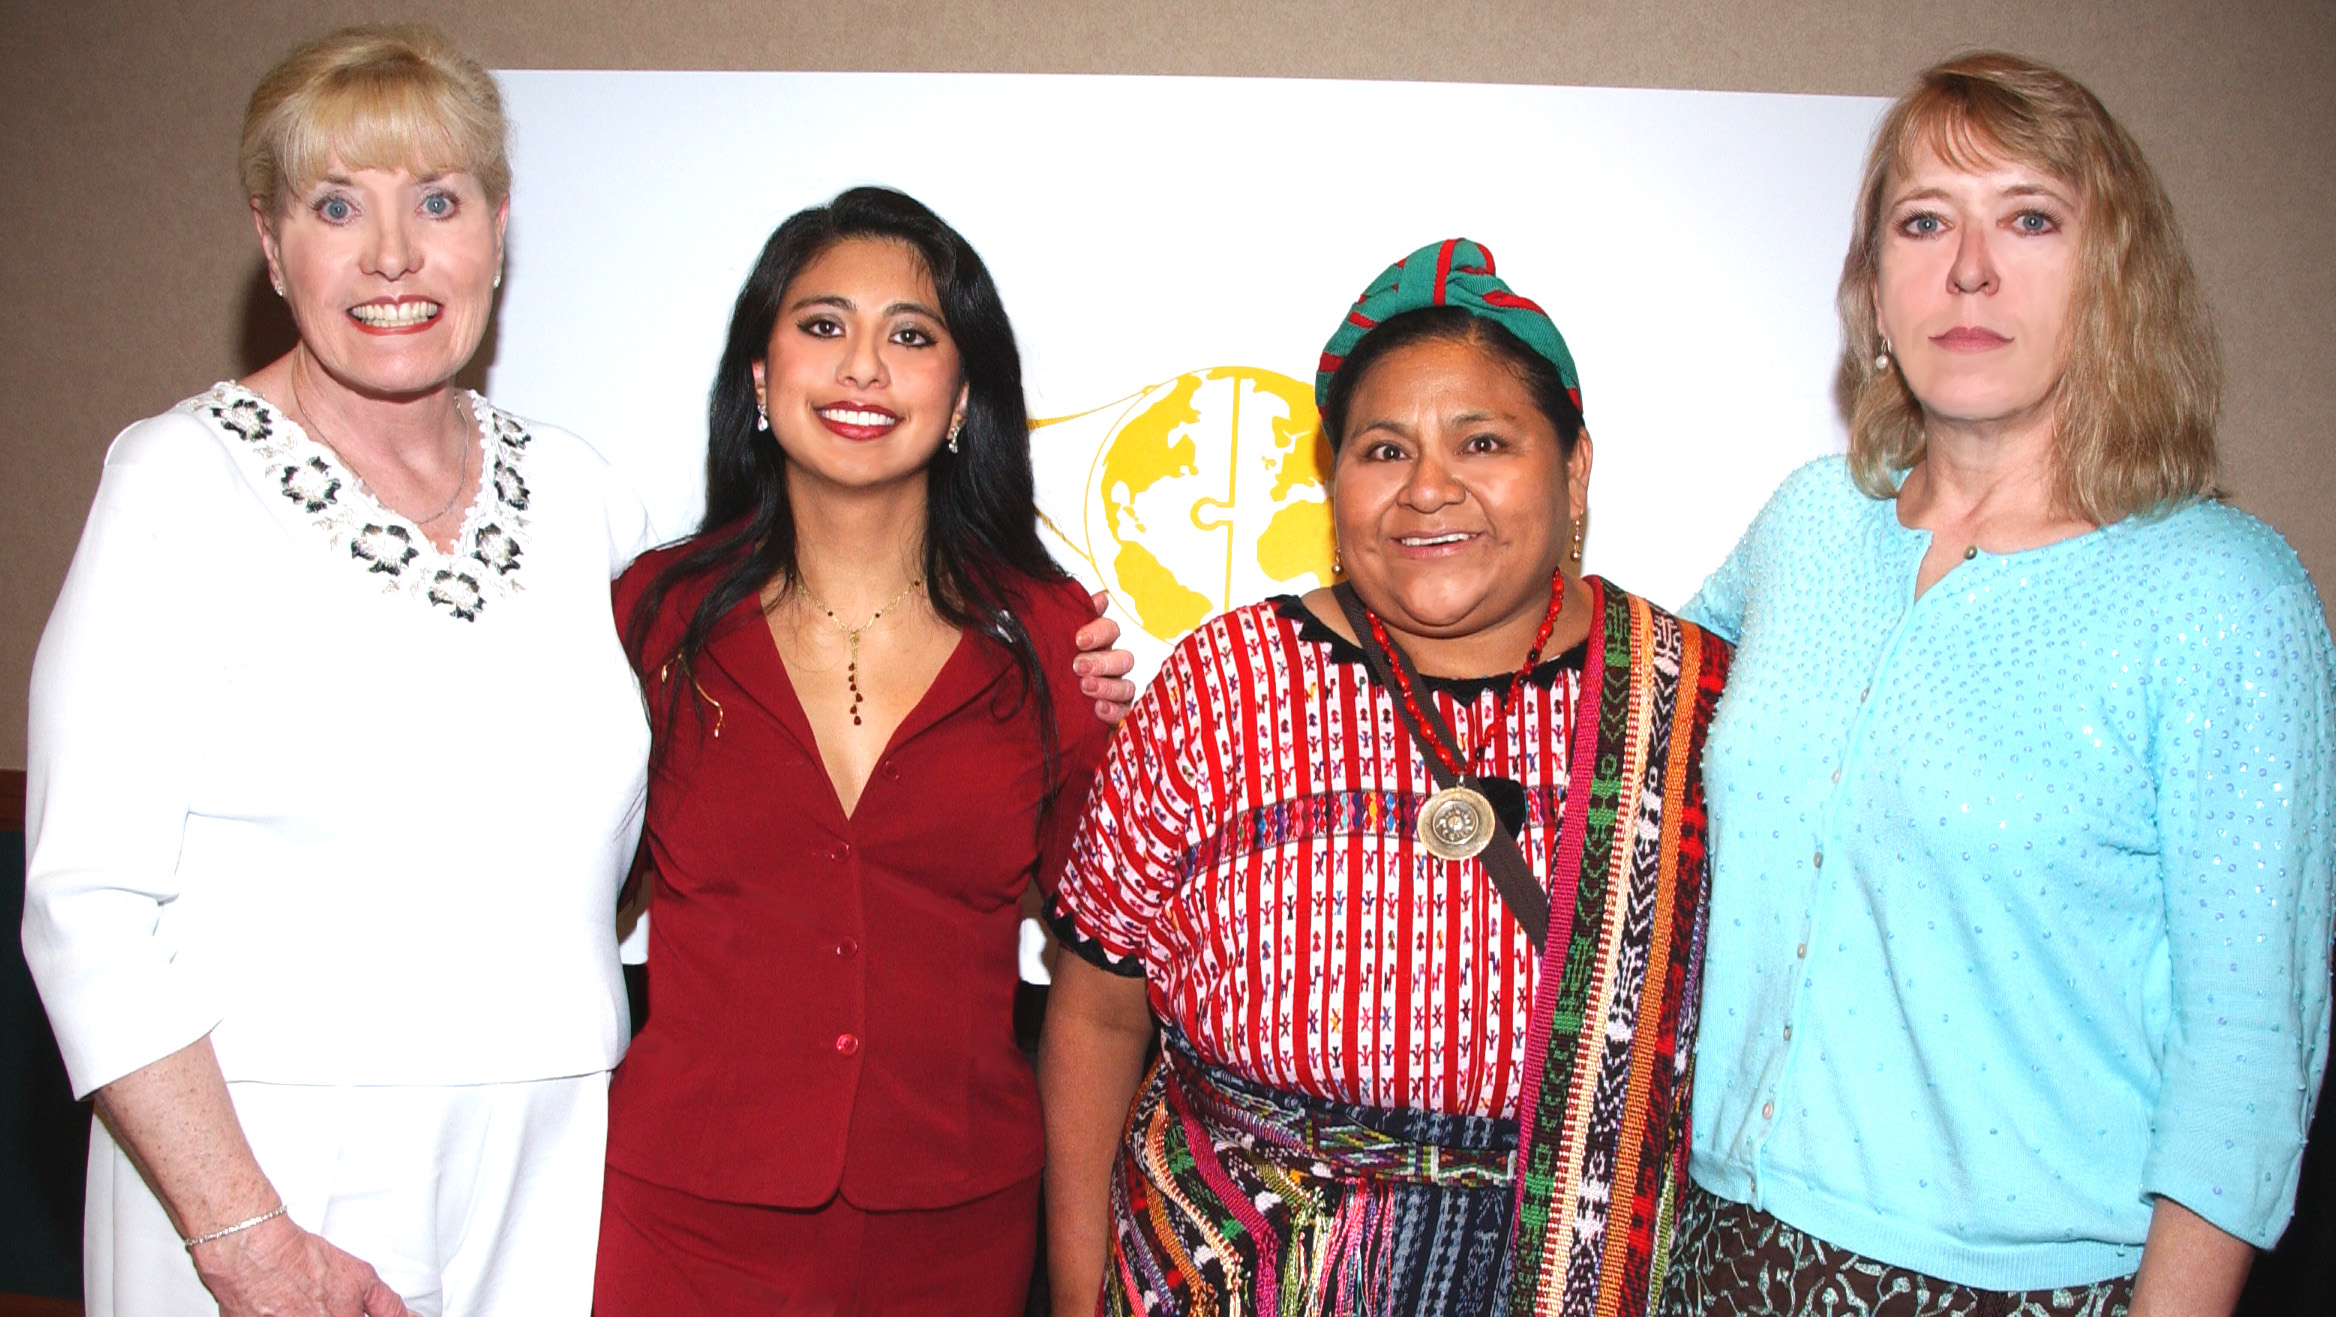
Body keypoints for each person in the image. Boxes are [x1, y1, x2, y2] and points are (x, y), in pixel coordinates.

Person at [19, 30, 1140, 1317]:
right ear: (272, 247)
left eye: (435, 202)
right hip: (273, 1161)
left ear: (499, 230)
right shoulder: (177, 483)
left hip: (553, 1168)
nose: (393, 254)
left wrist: (1085, 679)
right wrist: (242, 1233)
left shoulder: (575, 499)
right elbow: (85, 903)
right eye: (339, 207)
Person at [1662, 53, 2335, 1317]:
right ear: (1868, 287)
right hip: (1711, 1253)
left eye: (2028, 218)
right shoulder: (1809, 523)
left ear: (2114, 275)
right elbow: (1604, 708)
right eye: (1924, 221)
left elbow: (2248, 1051)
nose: (1968, 268)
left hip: (2020, 1291)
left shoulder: (2222, 594)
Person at [1040, 240, 1731, 1317]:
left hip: (1574, 1282)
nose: (1428, 490)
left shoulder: (1694, 705)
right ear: (1333, 480)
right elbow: (1092, 1018)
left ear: (1574, 466)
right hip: (1231, 1275)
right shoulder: (1224, 685)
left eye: (1483, 441)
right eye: (1381, 450)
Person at [592, 187, 1117, 1314]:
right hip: (680, 1216)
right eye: (823, 325)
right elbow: (572, 895)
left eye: (911, 334)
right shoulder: (651, 617)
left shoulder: (1053, 636)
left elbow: (1100, 957)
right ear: (757, 377)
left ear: (965, 393)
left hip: (956, 1225)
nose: (864, 368)